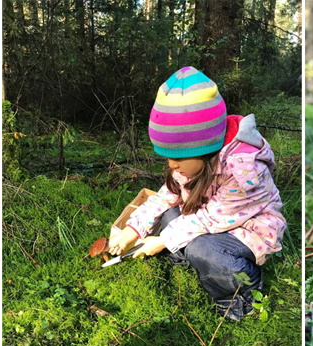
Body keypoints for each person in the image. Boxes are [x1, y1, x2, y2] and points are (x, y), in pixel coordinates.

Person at [108, 66, 286, 321]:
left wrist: (162, 240)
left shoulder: (243, 171)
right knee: (170, 215)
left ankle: (241, 296)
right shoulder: (196, 162)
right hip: (209, 217)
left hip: (247, 228)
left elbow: (212, 218)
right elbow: (166, 195)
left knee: (204, 249)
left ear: (204, 147)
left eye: (177, 158)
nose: (171, 165)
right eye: (168, 158)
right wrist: (133, 230)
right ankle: (189, 260)